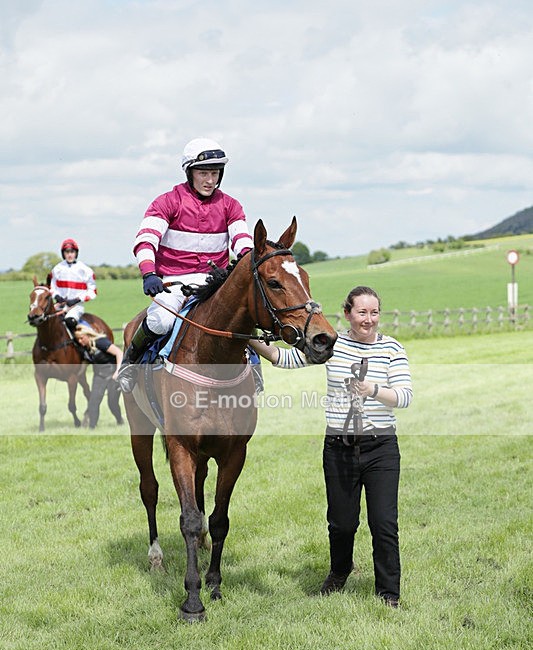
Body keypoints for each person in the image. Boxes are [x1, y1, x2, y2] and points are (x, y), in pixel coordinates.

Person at [253, 286, 413, 607]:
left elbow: (404, 396)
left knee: (384, 523)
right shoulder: (332, 345)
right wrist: (248, 339)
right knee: (341, 523)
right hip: (338, 448)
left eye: (374, 312)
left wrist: (374, 389)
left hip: (380, 448)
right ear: (348, 314)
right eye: (362, 312)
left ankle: (388, 593)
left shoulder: (393, 349)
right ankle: (339, 573)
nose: (368, 319)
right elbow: (283, 358)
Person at [118, 137, 254, 392]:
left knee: (241, 318)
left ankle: (253, 371)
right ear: (190, 172)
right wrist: (149, 273)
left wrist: (249, 260)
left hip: (214, 283)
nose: (210, 180)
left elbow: (242, 241)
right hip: (173, 283)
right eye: (204, 173)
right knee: (160, 322)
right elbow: (145, 241)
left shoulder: (231, 205)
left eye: (215, 173)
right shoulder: (167, 202)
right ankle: (130, 363)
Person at [74, 325, 124, 429]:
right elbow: (86, 361)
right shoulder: (85, 348)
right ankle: (92, 427)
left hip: (113, 374)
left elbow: (119, 353)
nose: (79, 341)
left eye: (81, 338)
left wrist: (118, 372)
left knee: (112, 403)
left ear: (88, 335)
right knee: (93, 402)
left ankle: (119, 420)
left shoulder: (101, 342)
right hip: (99, 376)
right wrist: (78, 374)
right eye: (78, 339)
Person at [50, 239, 97, 334]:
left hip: (76, 306)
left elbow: (92, 291)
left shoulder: (85, 270)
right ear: (63, 254)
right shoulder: (57, 269)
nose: (70, 255)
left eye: (72, 252)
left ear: (76, 253)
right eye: (67, 252)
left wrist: (77, 300)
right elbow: (52, 288)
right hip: (60, 305)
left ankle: (80, 346)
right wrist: (57, 297)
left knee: (69, 321)